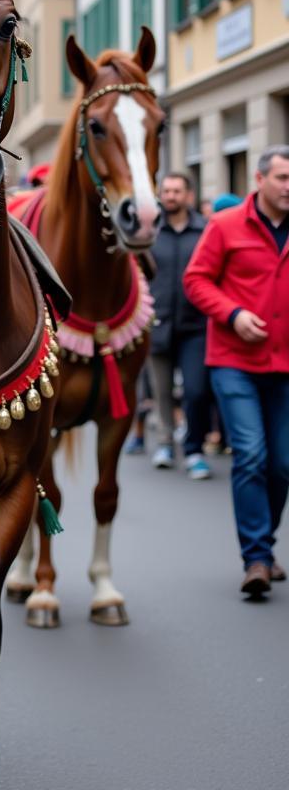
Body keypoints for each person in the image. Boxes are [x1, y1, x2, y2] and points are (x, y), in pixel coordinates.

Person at [184, 145, 289, 598]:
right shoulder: (225, 225)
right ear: (260, 180)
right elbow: (196, 280)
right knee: (250, 455)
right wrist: (232, 314)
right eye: (283, 178)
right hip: (234, 361)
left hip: (285, 364)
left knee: (283, 464)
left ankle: (263, 544)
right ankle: (257, 559)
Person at [147, 174, 211, 478]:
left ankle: (194, 449)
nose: (170, 196)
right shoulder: (150, 230)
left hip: (196, 325)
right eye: (166, 191)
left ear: (189, 195)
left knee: (196, 391)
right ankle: (164, 443)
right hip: (157, 322)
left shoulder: (205, 230)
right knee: (162, 392)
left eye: (177, 191)